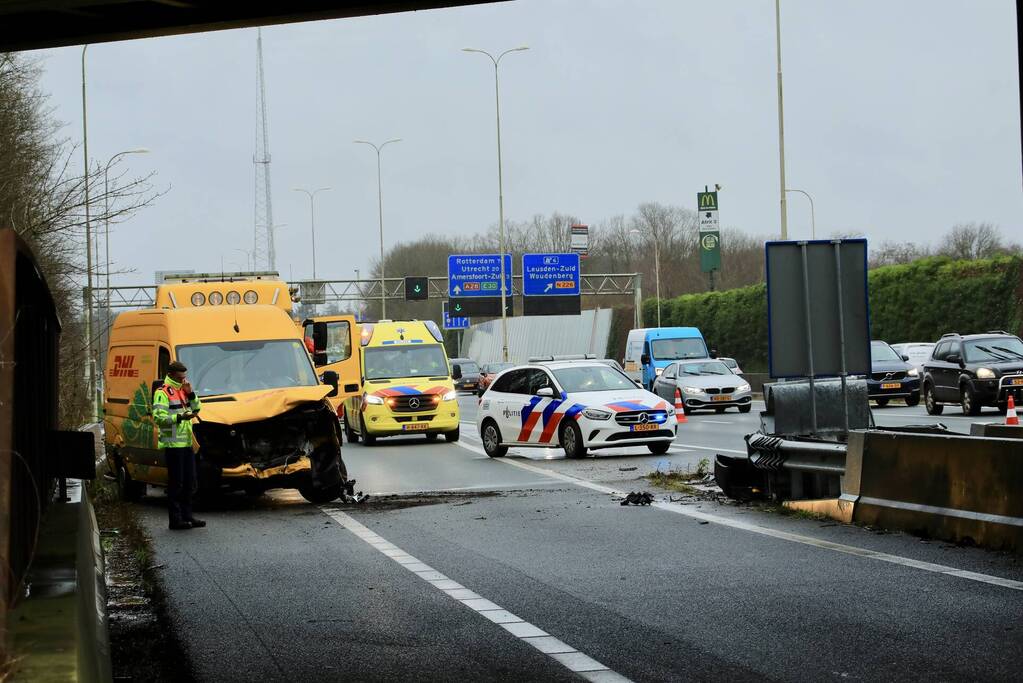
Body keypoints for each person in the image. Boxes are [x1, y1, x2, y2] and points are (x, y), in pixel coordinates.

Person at [152, 360, 205, 530]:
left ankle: (187, 516)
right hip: (173, 444)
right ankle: (175, 520)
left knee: (189, 482)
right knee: (176, 483)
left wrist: (190, 394)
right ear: (172, 374)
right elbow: (159, 418)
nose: (184, 378)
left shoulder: (183, 389)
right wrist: (180, 418)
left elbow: (197, 409)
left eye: (185, 375)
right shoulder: (162, 392)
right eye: (181, 375)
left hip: (187, 442)